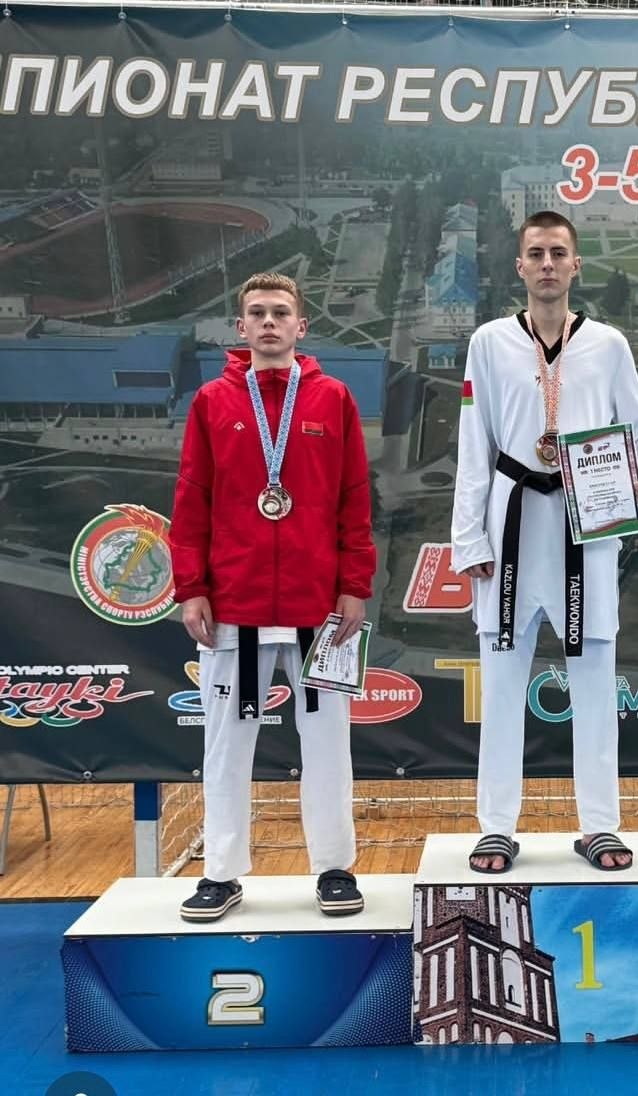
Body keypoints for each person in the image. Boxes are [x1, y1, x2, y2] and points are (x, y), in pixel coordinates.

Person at [451, 211, 638, 874]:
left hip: (588, 526)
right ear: (518, 266)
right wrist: (469, 540)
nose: (547, 264)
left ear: (577, 265)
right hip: (511, 523)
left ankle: (600, 825)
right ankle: (496, 827)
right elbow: (473, 444)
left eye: (557, 253)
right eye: (535, 254)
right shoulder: (489, 342)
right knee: (500, 684)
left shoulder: (608, 345)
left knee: (596, 680)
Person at [170, 272, 375, 921]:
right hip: (237, 604)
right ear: (240, 328)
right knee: (227, 746)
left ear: (300, 326)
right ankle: (221, 873)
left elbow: (354, 498)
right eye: (256, 312)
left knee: (328, 745)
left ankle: (335, 868)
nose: (268, 322)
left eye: (280, 312)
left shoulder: (332, 399)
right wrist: (191, 588)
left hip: (319, 609)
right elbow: (192, 499)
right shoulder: (213, 401)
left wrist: (354, 585)